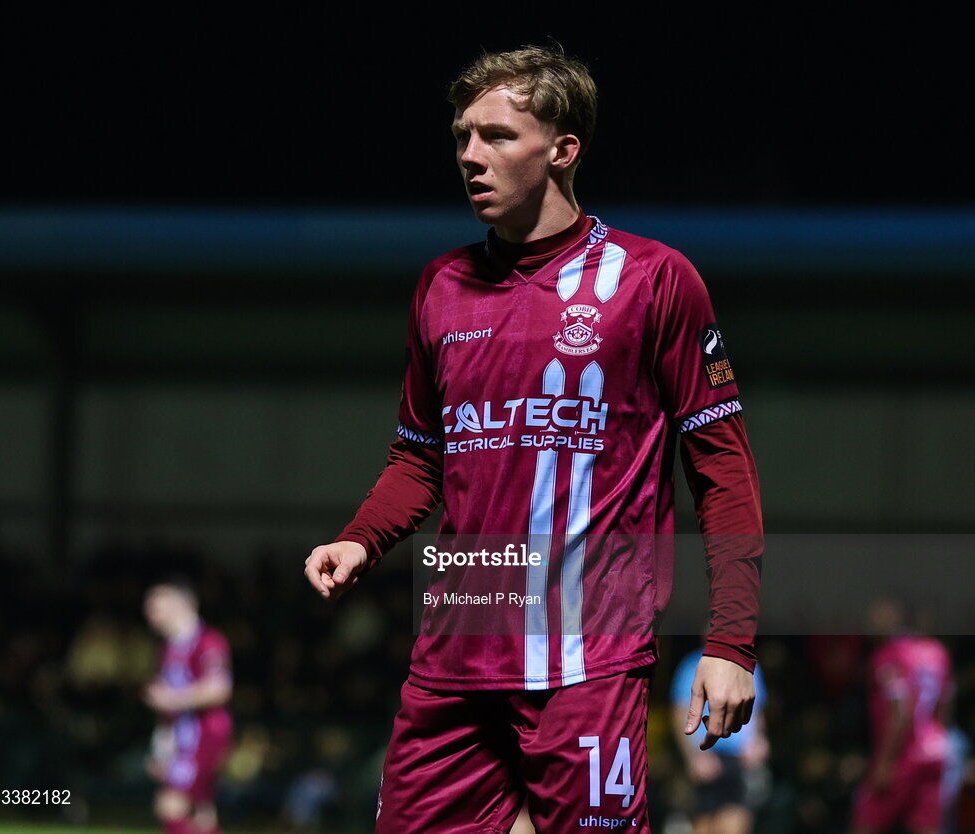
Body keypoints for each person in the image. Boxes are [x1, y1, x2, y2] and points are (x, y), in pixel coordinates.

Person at [304, 44, 763, 832]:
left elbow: (722, 470)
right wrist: (361, 539)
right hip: (453, 657)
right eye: (461, 137)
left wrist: (730, 642)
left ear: (562, 149)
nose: (469, 157)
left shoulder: (653, 280)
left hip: (589, 659)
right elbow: (419, 457)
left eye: (496, 136)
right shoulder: (441, 287)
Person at [850, 598, 954, 834]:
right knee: (926, 826)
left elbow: (901, 711)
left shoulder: (889, 656)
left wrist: (885, 761)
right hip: (935, 751)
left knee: (866, 822)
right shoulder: (937, 652)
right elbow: (944, 703)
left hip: (903, 755)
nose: (872, 620)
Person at [143, 576, 234, 834]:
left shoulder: (208, 641)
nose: (150, 614)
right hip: (185, 738)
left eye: (156, 606)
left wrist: (173, 698)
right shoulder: (168, 648)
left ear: (180, 604)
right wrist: (161, 746)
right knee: (201, 815)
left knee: (170, 806)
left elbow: (219, 688)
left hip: (205, 734)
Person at [671, 645, 769, 834]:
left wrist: (759, 741)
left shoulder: (749, 664)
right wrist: (693, 756)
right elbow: (679, 713)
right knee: (705, 824)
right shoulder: (692, 664)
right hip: (707, 756)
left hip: (740, 758)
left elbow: (758, 709)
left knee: (738, 820)